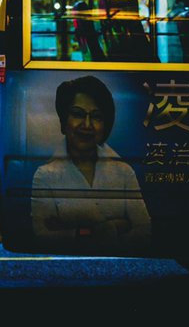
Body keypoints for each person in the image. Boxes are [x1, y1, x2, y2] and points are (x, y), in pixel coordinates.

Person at [31, 74, 150, 252]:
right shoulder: (45, 175)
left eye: (96, 117)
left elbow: (144, 230)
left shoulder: (124, 172)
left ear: (105, 125)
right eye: (78, 114)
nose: (87, 125)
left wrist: (70, 230)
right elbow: (42, 234)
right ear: (64, 121)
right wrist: (115, 227)